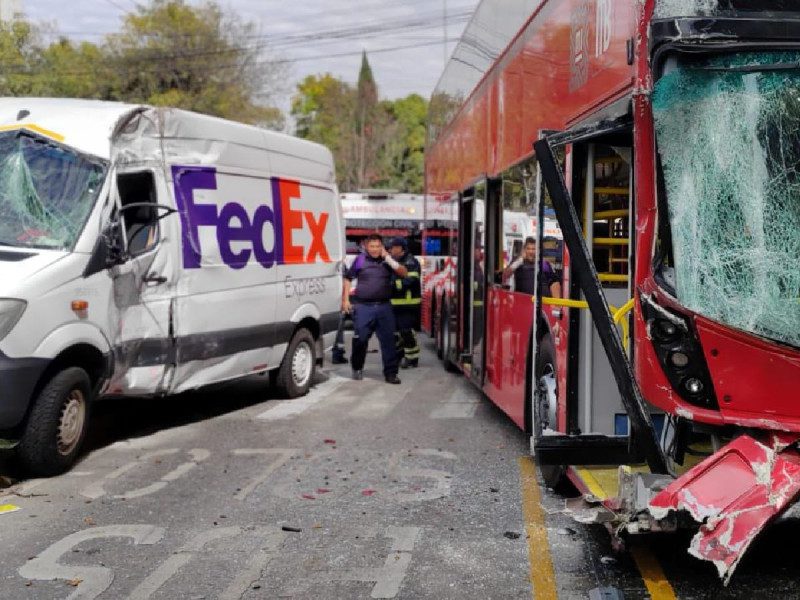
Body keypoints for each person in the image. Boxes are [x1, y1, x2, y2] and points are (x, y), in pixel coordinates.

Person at [342, 234, 408, 384]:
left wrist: (388, 258)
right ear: (366, 246)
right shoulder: (360, 260)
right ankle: (357, 367)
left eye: (377, 246)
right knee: (361, 339)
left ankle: (391, 373)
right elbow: (348, 278)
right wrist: (345, 300)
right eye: (372, 246)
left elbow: (403, 273)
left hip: (384, 307)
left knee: (388, 341)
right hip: (363, 307)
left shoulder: (388, 261)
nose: (374, 249)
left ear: (382, 247)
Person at [389, 237, 422, 368]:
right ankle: (399, 355)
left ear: (401, 248)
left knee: (406, 330)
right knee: (395, 333)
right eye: (391, 248)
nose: (391, 250)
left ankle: (412, 357)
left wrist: (393, 284)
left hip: (408, 304)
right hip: (394, 304)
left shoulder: (411, 262)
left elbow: (411, 280)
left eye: (394, 247)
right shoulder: (392, 261)